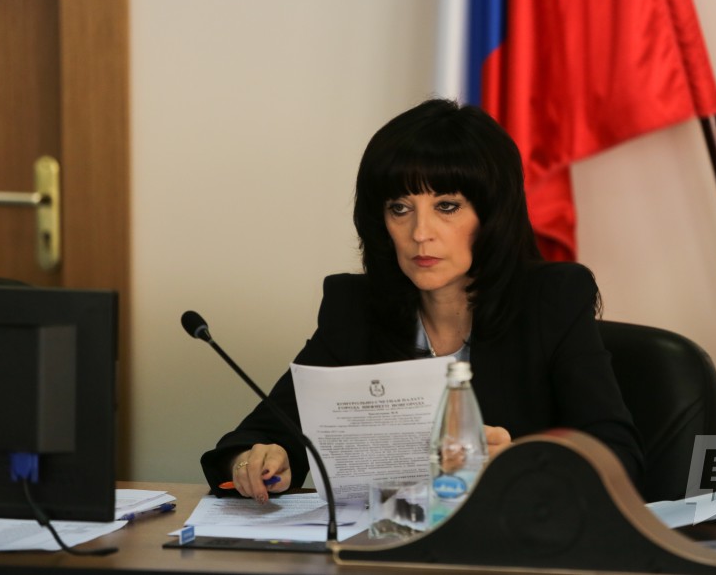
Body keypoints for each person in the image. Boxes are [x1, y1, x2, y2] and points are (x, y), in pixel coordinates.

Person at [200, 98, 644, 504]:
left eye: (447, 206)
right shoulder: (355, 308)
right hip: (387, 547)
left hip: (512, 547)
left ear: (492, 215)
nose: (420, 233)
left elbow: (619, 459)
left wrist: (521, 465)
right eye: (400, 208)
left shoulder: (552, 301)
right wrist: (255, 461)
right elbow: (260, 434)